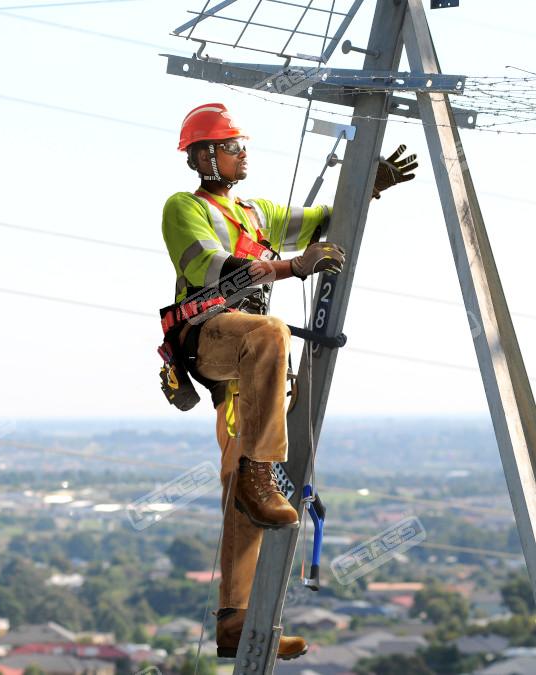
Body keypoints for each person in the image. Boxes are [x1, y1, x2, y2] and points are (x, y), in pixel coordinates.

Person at [159, 102, 416, 660]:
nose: (241, 153)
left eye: (239, 145)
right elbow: (213, 268)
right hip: (208, 337)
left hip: (249, 358)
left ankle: (235, 619)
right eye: (231, 146)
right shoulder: (183, 207)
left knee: (238, 485)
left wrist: (368, 186)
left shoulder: (256, 212)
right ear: (204, 157)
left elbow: (321, 221)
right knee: (271, 332)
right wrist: (294, 266)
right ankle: (260, 475)